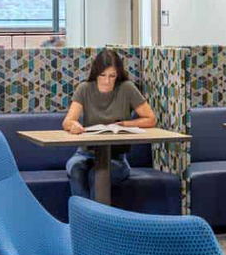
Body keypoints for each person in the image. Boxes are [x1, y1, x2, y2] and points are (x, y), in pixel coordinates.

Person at [61, 48, 155, 199]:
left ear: (118, 75)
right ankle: (83, 214)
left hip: (116, 158)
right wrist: (74, 125)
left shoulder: (127, 88)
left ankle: (93, 214)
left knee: (97, 175)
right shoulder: (84, 88)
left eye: (112, 76)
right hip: (84, 154)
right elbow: (67, 121)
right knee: (77, 171)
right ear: (96, 73)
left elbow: (150, 119)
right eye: (102, 75)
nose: (107, 81)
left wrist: (124, 124)